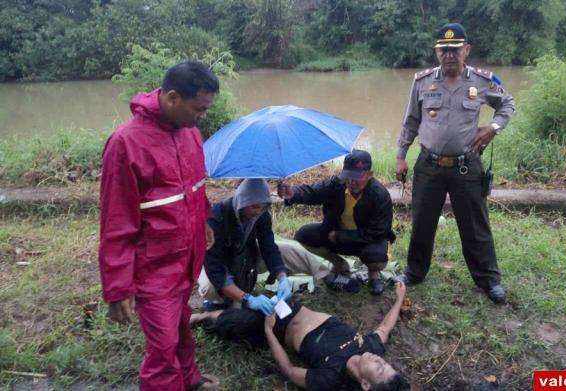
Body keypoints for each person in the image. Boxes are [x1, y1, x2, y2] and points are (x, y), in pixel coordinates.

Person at [99, 60, 220, 390]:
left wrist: (204, 222)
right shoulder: (125, 143)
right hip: (154, 268)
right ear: (171, 98)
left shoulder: (191, 134)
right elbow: (116, 222)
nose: (203, 116)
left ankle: (189, 378)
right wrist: (118, 287)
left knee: (181, 323)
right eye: (199, 109)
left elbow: (195, 189)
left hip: (186, 260)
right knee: (162, 347)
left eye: (207, 109)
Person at [395, 23, 515, 304]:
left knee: (475, 225)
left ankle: (488, 279)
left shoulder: (483, 81)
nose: (449, 54)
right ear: (437, 51)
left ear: (466, 50)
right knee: (422, 221)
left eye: (455, 49)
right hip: (429, 164)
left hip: (466, 165)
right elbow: (410, 121)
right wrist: (401, 156)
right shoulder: (422, 82)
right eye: (444, 49)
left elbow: (508, 104)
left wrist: (493, 127)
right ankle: (415, 271)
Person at [191, 282, 411, 390]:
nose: (379, 359)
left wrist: (269, 331)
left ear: (365, 384)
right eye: (385, 362)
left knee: (235, 322)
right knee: (249, 307)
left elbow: (288, 370)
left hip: (278, 327)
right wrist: (400, 298)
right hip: (291, 306)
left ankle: (202, 317)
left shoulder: (330, 378)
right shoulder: (370, 348)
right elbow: (385, 327)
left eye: (380, 369)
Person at [277, 150, 396, 296]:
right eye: (348, 176)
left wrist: (342, 236)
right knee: (303, 235)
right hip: (335, 235)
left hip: (364, 241)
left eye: (357, 177)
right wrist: (293, 193)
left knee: (375, 255)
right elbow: (313, 192)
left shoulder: (380, 195)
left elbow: (379, 232)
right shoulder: (336, 184)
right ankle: (339, 265)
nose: (351, 182)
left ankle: (374, 274)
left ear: (370, 174)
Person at [203, 178, 292, 315]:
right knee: (209, 287)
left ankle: (329, 272)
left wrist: (282, 278)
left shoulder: (261, 216)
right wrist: (247, 299)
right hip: (215, 263)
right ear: (242, 201)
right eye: (254, 207)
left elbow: (268, 247)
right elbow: (215, 267)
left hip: (244, 260)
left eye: (263, 207)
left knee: (287, 251)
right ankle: (216, 301)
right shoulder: (216, 218)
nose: (258, 211)